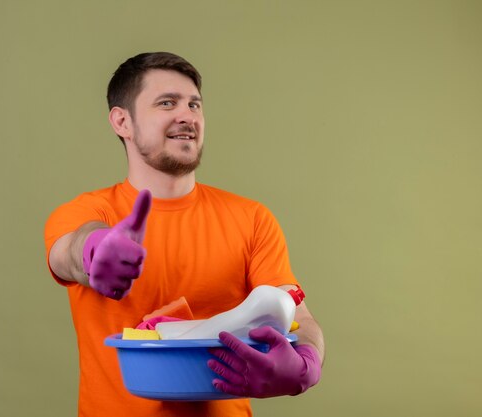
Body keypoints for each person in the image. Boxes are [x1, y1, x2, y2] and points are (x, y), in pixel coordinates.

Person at [44, 52, 325, 417]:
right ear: (122, 122)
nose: (187, 115)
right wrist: (94, 251)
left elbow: (297, 315)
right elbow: (69, 251)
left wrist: (307, 359)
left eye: (194, 104)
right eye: (167, 103)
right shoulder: (87, 213)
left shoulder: (251, 218)